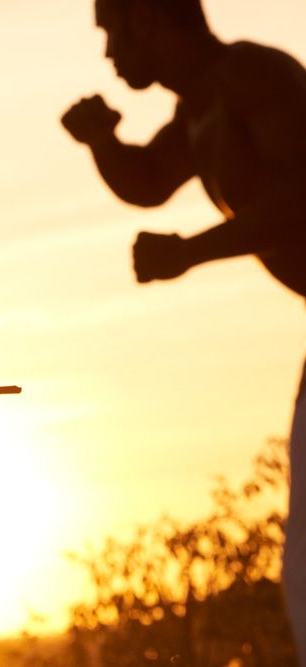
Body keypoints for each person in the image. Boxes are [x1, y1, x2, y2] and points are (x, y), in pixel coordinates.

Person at [61, 0, 306, 657]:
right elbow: (147, 182)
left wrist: (188, 253)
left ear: (146, 21)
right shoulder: (196, 108)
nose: (109, 55)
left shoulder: (252, 76)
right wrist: (101, 142)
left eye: (111, 34)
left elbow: (297, 201)